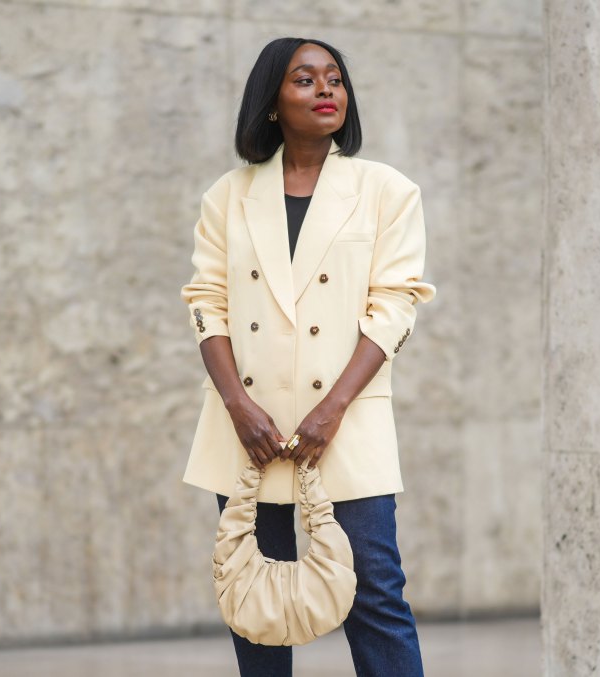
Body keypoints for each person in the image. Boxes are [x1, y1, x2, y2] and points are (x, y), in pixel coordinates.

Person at [179, 36, 436, 677]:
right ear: (271, 103)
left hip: (346, 418)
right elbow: (207, 303)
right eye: (304, 80)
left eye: (334, 79)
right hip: (250, 421)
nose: (326, 90)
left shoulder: (387, 190)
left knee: (374, 592)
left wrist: (333, 407)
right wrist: (239, 406)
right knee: (256, 603)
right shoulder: (227, 195)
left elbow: (395, 304)